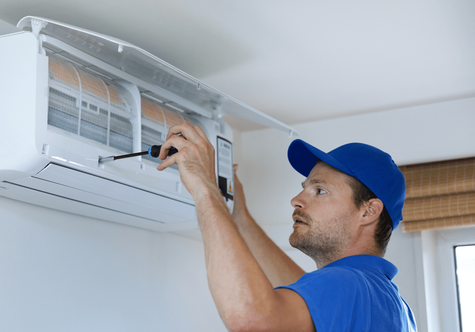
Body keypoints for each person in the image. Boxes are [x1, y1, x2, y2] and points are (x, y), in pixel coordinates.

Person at [155, 123, 417, 332]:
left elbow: (251, 320)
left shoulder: (348, 284)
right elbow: (302, 288)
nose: (297, 200)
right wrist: (240, 219)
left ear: (368, 211)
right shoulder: (388, 302)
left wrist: (204, 186)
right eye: (305, 188)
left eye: (320, 190)